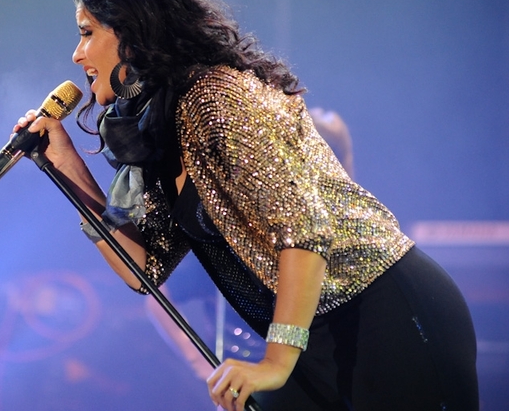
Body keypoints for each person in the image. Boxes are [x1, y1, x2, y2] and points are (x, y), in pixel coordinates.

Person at [14, 0, 479, 410]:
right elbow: (143, 266)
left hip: (383, 312)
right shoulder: (163, 125)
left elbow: (304, 229)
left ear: (134, 35)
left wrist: (274, 363)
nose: (77, 54)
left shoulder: (216, 97)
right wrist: (66, 167)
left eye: (87, 33)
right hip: (314, 330)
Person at [145, 108, 356, 384]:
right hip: (251, 376)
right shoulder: (240, 227)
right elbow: (159, 294)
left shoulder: (339, 227)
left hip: (324, 369)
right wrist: (200, 362)